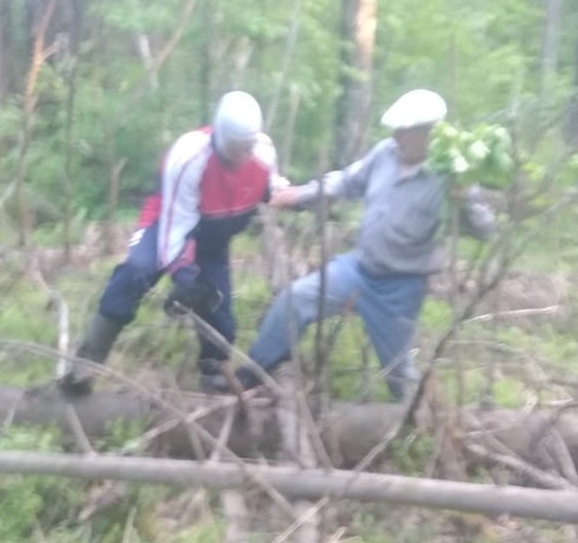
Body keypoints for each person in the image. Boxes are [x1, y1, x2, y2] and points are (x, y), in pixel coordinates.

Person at [204, 89, 497, 401]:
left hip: (399, 288)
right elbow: (346, 182)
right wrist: (300, 194)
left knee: (398, 372)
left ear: (429, 133)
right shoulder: (385, 154)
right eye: (396, 130)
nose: (397, 136)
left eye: (405, 131)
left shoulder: (451, 175)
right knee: (294, 300)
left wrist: (465, 200)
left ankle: (415, 415)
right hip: (358, 269)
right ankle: (252, 374)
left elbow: (485, 229)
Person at [60, 91, 287, 396]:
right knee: (135, 272)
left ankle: (214, 380)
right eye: (234, 148)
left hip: (213, 238)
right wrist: (183, 275)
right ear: (220, 136)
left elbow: (273, 188)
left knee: (219, 313)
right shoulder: (190, 156)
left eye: (246, 147)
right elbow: (175, 227)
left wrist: (302, 196)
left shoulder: (263, 153)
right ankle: (85, 366)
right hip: (167, 222)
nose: (240, 156)